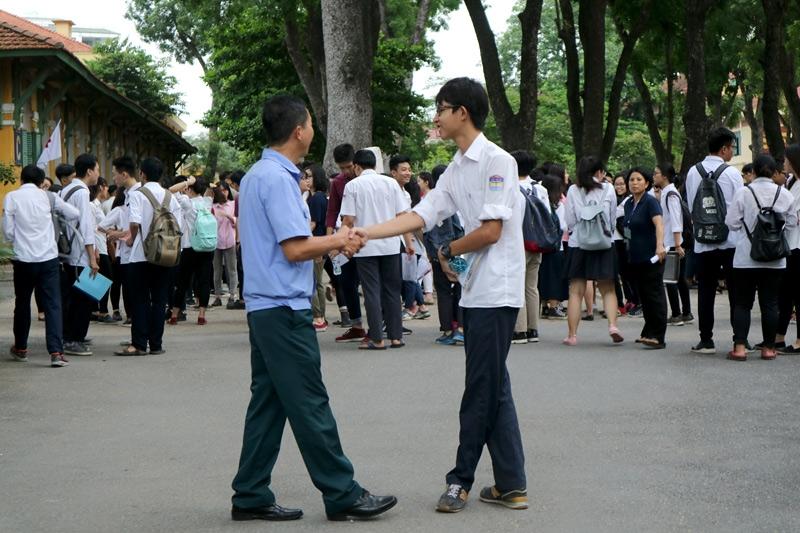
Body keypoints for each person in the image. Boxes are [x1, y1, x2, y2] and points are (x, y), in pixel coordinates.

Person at [356, 78, 528, 513]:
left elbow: (491, 231)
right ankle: (512, 484)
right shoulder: (457, 166)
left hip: (497, 291)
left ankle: (460, 480)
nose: (437, 117)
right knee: (494, 386)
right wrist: (363, 233)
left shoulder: (497, 161)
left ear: (462, 113)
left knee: (480, 389)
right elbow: (421, 215)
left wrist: (448, 249)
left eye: (442, 108)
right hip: (476, 292)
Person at [230, 94, 396, 522]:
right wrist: (342, 239)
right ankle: (342, 491)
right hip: (284, 308)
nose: (312, 131)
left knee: (268, 402)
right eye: (309, 124)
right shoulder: (279, 178)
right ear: (299, 130)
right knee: (309, 401)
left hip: (265, 307)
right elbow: (295, 248)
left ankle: (250, 493)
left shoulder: (254, 175)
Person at [4, 165, 79, 367]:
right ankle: (56, 352)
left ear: (21, 179)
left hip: (23, 260)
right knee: (53, 305)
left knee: (22, 303)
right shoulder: (48, 197)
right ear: (40, 182)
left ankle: (21, 348)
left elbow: (9, 232)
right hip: (48, 259)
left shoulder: (12, 197)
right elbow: (74, 214)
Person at [724, 154, 796, 361]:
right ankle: (769, 348)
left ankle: (739, 348)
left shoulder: (743, 193)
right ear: (774, 172)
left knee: (742, 303)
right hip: (775, 259)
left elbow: (732, 223)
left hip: (746, 257)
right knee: (770, 303)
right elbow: (791, 225)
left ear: (753, 171)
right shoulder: (785, 195)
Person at [685, 127, 744, 354]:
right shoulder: (732, 174)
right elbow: (739, 207)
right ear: (723, 148)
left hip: (703, 241)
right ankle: (739, 338)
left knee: (706, 291)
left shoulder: (692, 172)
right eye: (731, 147)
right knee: (736, 291)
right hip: (730, 240)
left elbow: (691, 206)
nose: (732, 152)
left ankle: (706, 340)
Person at [116, 157, 182, 356]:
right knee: (160, 299)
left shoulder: (138, 194)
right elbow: (179, 227)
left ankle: (138, 343)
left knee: (140, 299)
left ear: (142, 174)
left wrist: (130, 239)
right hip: (165, 255)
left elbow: (135, 222)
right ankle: (156, 344)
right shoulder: (171, 197)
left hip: (141, 256)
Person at [563, 156, 623, 346]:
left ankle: (572, 335)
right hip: (604, 244)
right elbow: (613, 218)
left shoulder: (573, 190)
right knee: (608, 289)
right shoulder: (608, 189)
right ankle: (612, 325)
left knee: (576, 291)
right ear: (599, 172)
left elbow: (570, 221)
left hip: (578, 244)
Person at [59, 153, 100, 357]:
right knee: (84, 298)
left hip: (68, 252)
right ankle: (74, 339)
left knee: (73, 298)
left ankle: (69, 336)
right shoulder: (82, 192)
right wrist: (92, 257)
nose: (98, 174)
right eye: (97, 169)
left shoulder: (66, 188)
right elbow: (86, 226)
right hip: (79, 254)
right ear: (90, 171)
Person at [623, 168, 668, 348]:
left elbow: (659, 224)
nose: (634, 183)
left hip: (652, 256)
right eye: (632, 180)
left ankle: (658, 336)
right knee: (644, 296)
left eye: (638, 179)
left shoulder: (650, 202)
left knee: (654, 295)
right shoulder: (628, 204)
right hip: (635, 257)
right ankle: (648, 332)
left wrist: (659, 245)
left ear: (647, 183)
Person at [325, 143, 366, 338]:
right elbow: (332, 211)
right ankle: (356, 324)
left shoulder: (367, 180)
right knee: (347, 281)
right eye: (341, 168)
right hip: (345, 239)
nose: (346, 171)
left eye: (348, 166)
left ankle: (381, 323)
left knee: (371, 283)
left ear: (356, 162)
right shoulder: (338, 183)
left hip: (367, 239)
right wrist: (330, 239)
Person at [423, 164, 465, 345]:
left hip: (438, 254)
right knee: (463, 288)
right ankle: (461, 328)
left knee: (443, 291)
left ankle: (448, 329)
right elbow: (459, 231)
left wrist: (436, 255)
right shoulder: (459, 199)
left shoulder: (433, 201)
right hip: (459, 252)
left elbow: (427, 232)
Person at [511, 149, 546, 344]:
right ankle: (534, 329)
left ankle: (519, 330)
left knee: (518, 284)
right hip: (537, 243)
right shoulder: (540, 189)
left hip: (518, 242)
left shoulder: (511, 188)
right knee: (532, 286)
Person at [170, 176, 215, 325]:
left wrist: (188, 182)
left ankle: (175, 315)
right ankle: (201, 315)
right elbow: (210, 191)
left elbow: (171, 190)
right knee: (204, 281)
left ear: (190, 189)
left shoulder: (187, 203)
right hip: (207, 247)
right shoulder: (207, 202)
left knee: (182, 282)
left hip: (190, 247)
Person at [654, 165, 692, 326]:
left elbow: (676, 220)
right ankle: (686, 312)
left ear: (665, 176)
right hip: (674, 242)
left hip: (672, 243)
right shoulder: (667, 193)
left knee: (670, 279)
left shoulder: (670, 194)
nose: (653, 176)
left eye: (656, 173)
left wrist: (677, 244)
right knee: (681, 278)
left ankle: (676, 314)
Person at [776, 144, 800, 353]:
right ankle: (779, 337)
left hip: (797, 245)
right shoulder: (792, 182)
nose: (784, 163)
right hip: (790, 244)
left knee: (794, 292)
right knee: (785, 292)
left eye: (786, 159)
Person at [305, 164, 330, 332]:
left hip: (316, 244)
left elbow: (312, 224)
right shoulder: (319, 197)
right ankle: (321, 316)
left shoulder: (316, 199)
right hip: (321, 244)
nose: (306, 179)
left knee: (312, 282)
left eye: (309, 176)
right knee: (318, 282)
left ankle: (318, 317)